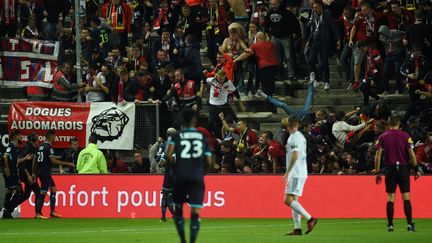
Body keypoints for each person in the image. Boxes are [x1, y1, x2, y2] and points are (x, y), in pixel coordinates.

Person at [165, 108, 213, 243]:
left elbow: (168, 155)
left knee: (179, 211)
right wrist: (204, 172)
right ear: (194, 121)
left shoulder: (176, 136)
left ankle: (183, 240)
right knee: (195, 213)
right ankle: (192, 241)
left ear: (182, 121)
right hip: (197, 178)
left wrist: (175, 167)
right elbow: (209, 160)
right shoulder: (202, 137)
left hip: (180, 177)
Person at [374, 115, 422, 232]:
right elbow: (412, 154)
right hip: (403, 169)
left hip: (390, 169)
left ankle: (390, 225)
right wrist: (416, 170)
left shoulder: (382, 137)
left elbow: (378, 155)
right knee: (406, 197)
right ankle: (410, 224)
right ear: (399, 123)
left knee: (391, 197)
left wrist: (377, 171)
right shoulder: (405, 136)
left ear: (389, 123)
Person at [283, 116, 318, 235]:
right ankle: (297, 229)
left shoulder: (293, 138)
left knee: (288, 200)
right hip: (301, 171)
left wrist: (287, 172)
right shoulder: (300, 136)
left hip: (295, 172)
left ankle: (310, 219)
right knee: (294, 200)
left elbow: (294, 155)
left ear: (289, 126)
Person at [35, 130, 75, 219]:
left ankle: (52, 211)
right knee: (43, 191)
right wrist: (68, 163)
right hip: (45, 172)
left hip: (41, 171)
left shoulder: (41, 146)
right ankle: (38, 213)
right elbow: (53, 160)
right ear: (51, 136)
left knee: (53, 189)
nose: (55, 138)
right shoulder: (49, 147)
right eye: (54, 136)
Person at [306, 1, 341, 91]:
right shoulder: (313, 16)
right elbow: (313, 30)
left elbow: (334, 29)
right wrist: (309, 41)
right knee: (310, 61)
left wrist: (338, 40)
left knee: (324, 63)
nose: (314, 9)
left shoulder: (327, 16)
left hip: (325, 42)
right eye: (313, 8)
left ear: (321, 8)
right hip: (315, 41)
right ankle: (317, 79)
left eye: (316, 8)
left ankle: (326, 82)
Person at [5, 133, 40, 218]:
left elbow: (32, 163)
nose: (39, 141)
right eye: (37, 139)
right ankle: (38, 213)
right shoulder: (27, 148)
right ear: (33, 140)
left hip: (27, 174)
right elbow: (21, 163)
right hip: (23, 174)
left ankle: (8, 210)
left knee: (25, 195)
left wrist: (33, 174)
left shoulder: (32, 148)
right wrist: (28, 175)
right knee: (37, 191)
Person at [265, 0, 301, 81]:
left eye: (275, 4)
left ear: (279, 4)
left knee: (289, 56)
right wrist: (267, 34)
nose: (273, 6)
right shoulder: (269, 13)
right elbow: (266, 24)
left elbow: (295, 22)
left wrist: (296, 32)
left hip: (286, 37)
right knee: (277, 58)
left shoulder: (286, 13)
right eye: (272, 4)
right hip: (275, 37)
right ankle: (278, 74)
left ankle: (291, 74)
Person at [205, 69, 241, 138]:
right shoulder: (212, 80)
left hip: (224, 105)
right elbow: (204, 80)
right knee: (210, 123)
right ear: (216, 76)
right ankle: (207, 138)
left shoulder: (228, 82)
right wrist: (201, 89)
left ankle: (239, 135)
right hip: (213, 105)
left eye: (222, 79)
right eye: (219, 79)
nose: (221, 81)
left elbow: (235, 91)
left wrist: (240, 102)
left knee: (234, 119)